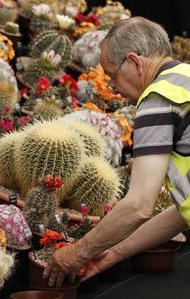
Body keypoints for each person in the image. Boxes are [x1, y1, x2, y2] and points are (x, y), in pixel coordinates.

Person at [43, 16, 190, 288]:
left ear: (134, 61)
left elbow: (138, 205)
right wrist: (114, 253)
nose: (117, 91)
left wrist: (78, 252)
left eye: (112, 77)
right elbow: (185, 209)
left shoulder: (159, 97)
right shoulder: (185, 78)